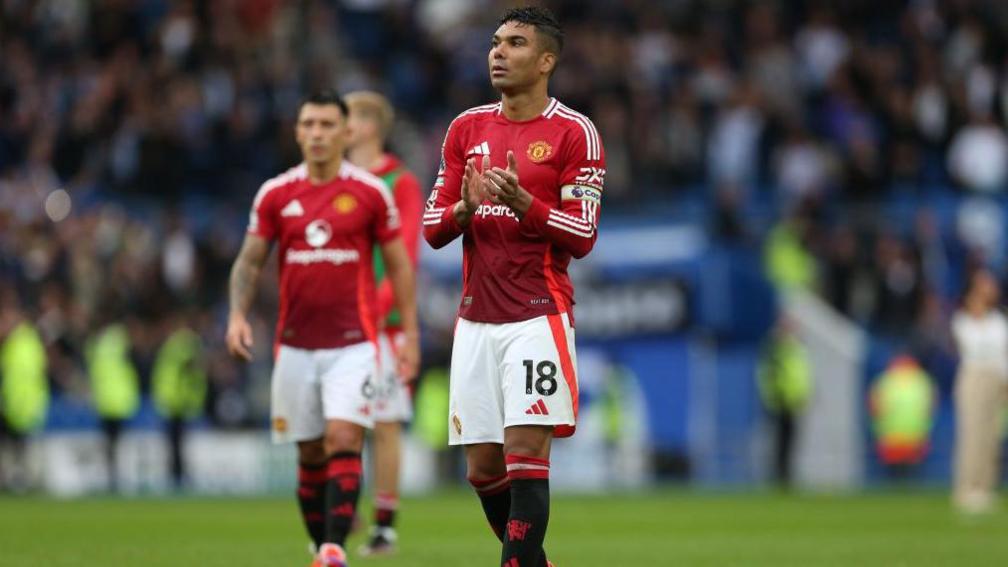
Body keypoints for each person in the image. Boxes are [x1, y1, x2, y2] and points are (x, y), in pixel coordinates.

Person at [423, 7, 605, 566]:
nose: (499, 53)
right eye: (496, 42)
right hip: (476, 319)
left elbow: (584, 234)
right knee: (482, 469)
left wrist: (528, 205)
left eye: (516, 43)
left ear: (546, 60)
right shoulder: (466, 128)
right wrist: (465, 206)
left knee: (526, 456)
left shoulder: (575, 133)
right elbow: (432, 230)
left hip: (536, 315)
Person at [225, 90, 419, 567]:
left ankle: (334, 549)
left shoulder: (372, 193)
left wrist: (409, 334)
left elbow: (399, 266)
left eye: (327, 124)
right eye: (308, 124)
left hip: (355, 344)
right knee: (310, 451)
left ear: (344, 131)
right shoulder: (276, 194)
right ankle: (320, 542)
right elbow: (249, 263)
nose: (317, 133)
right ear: (297, 131)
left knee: (345, 438)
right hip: (294, 346)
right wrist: (236, 316)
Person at [344, 90, 423, 557]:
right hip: (340, 322)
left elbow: (405, 256)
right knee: (342, 421)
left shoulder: (399, 182)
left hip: (383, 323)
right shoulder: (335, 180)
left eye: (347, 117)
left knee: (386, 423)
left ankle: (385, 526)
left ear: (371, 126)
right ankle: (346, 504)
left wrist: (375, 308)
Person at [951, 268, 1008, 514]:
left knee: (992, 434)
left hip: (998, 377)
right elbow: (975, 346)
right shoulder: (963, 319)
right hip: (975, 375)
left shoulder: (999, 320)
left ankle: (985, 487)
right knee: (972, 434)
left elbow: (1002, 354)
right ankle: (967, 488)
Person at [151, 315, 206, 490]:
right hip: (177, 399)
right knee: (177, 443)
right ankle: (178, 476)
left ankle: (176, 476)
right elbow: (190, 368)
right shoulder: (186, 345)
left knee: (175, 443)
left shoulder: (172, 346)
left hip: (173, 399)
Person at [86, 318, 140, 493]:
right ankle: (119, 479)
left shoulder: (96, 345)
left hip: (107, 402)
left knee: (111, 444)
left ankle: (114, 479)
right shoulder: (120, 341)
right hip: (120, 401)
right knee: (117, 443)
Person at [756, 317, 812, 488]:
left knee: (790, 441)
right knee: (781, 441)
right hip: (782, 401)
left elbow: (801, 375)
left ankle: (786, 475)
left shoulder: (795, 349)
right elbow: (770, 377)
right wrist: (775, 396)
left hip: (794, 401)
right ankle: (780, 476)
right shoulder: (776, 351)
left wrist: (804, 395)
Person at [0, 300, 48, 492]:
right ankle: (19, 481)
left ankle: (26, 482)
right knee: (15, 448)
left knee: (22, 448)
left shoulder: (21, 343)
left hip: (21, 405)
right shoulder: (23, 342)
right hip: (14, 403)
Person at [868, 354, 935, 480]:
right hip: (915, 433)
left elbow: (875, 406)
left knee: (894, 476)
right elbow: (930, 406)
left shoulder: (885, 380)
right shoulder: (921, 380)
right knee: (912, 475)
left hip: (890, 433)